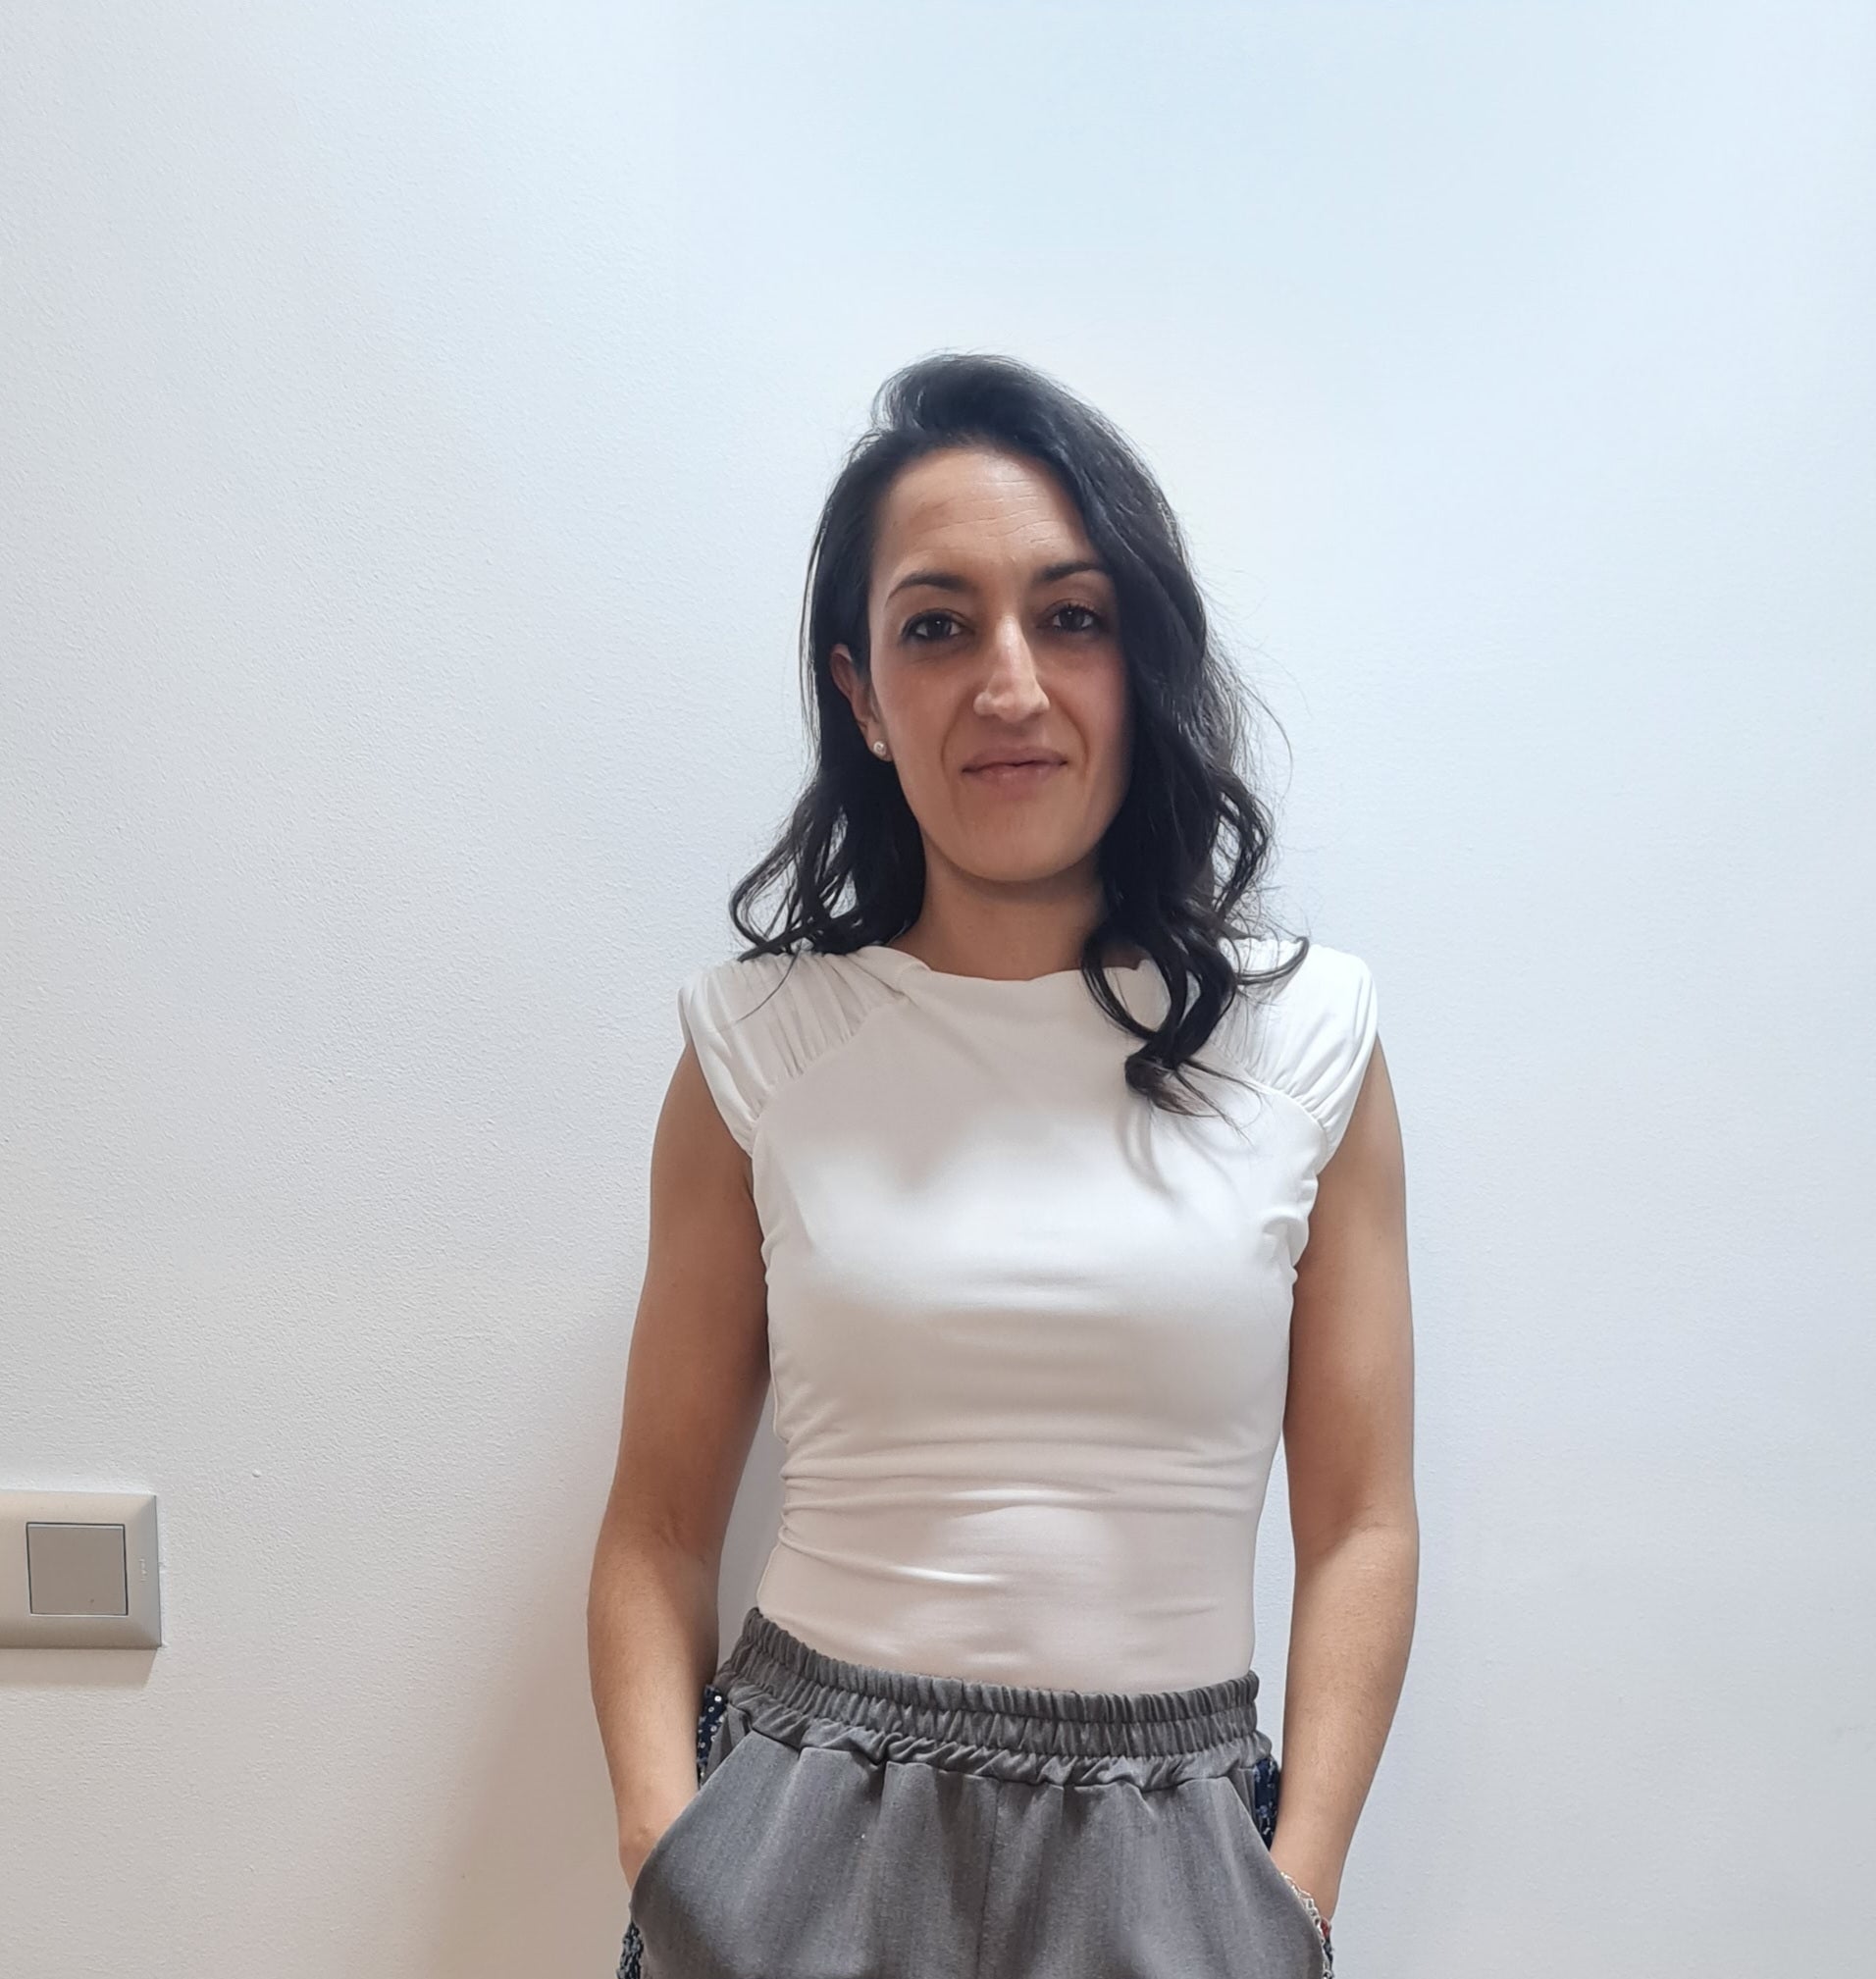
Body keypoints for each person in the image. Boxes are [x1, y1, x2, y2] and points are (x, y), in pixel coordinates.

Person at [589, 351, 1417, 1978]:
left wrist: (1293, 1896)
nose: (1011, 683)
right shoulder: (757, 1047)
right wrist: (668, 1856)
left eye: (1072, 615)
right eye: (938, 625)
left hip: (1178, 1852)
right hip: (797, 1835)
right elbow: (658, 1527)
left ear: (1140, 658)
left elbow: (1363, 1525)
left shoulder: (1310, 1036)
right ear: (860, 689)